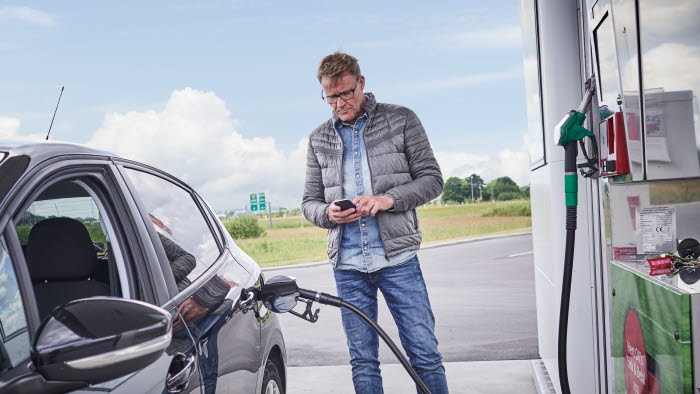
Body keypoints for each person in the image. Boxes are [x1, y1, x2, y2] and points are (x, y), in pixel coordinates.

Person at [302, 52, 448, 394]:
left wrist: (388, 200)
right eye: (330, 96)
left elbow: (432, 180)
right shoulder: (318, 138)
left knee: (424, 355)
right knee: (363, 361)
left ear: (362, 83)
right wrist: (328, 214)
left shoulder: (402, 119)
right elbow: (309, 203)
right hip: (348, 266)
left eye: (346, 93)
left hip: (398, 260)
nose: (339, 103)